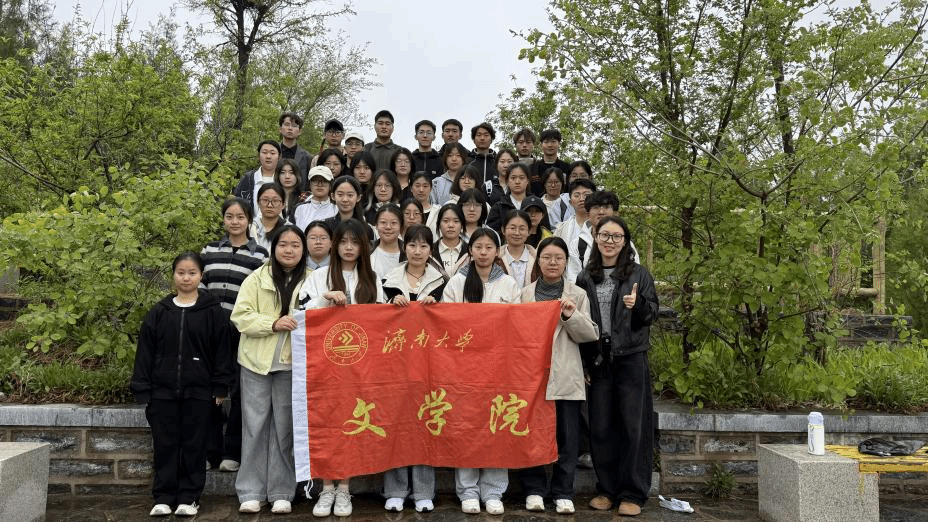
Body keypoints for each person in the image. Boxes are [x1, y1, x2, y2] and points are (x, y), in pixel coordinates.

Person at [132, 252, 233, 518]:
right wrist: (142, 388)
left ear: (201, 276)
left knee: (194, 446)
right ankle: (164, 496)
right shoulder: (160, 312)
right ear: (173, 275)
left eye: (192, 273)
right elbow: (145, 352)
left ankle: (189, 497)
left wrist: (220, 387)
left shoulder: (212, 312)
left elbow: (222, 352)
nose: (186, 278)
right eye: (181, 272)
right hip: (162, 392)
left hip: (199, 392)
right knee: (164, 445)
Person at [299, 219, 385, 518]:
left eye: (355, 242)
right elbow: (300, 313)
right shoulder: (318, 276)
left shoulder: (371, 279)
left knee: (351, 422)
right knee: (327, 421)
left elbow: (380, 321)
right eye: (344, 242)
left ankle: (345, 488)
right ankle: (326, 488)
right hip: (324, 365)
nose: (349, 248)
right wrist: (324, 300)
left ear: (364, 247)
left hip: (359, 366)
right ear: (335, 245)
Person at [575, 216, 658, 517]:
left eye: (616, 236)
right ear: (596, 238)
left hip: (631, 357)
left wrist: (639, 305)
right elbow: (580, 322)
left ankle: (632, 493)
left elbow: (652, 314)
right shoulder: (586, 276)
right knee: (600, 426)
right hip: (599, 359)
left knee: (633, 426)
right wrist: (585, 362)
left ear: (625, 242)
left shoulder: (638, 274)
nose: (610, 241)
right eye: (604, 235)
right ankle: (607, 489)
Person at [231, 225, 311, 515]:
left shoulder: (312, 279)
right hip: (256, 363)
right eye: (283, 245)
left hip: (293, 366)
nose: (289, 250)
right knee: (254, 427)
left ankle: (281, 491)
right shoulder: (256, 278)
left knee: (285, 429)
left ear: (303, 250)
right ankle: (251, 491)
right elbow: (240, 316)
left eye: (295, 245)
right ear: (274, 248)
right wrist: (272, 324)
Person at [518, 237, 599, 515]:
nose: (552, 263)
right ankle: (534, 490)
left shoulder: (577, 294)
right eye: (547, 257)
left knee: (567, 436)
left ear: (566, 262)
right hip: (532, 377)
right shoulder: (525, 294)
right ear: (538, 261)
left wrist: (570, 315)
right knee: (532, 435)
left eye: (558, 258)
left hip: (565, 374)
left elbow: (590, 334)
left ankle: (564, 492)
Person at [442, 228, 520, 515]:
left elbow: (518, 325)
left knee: (496, 426)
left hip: (499, 368)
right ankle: (468, 491)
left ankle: (494, 491)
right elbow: (446, 323)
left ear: (497, 252)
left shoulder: (509, 284)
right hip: (465, 369)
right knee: (467, 428)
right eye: (478, 247)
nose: (484, 252)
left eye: (489, 247)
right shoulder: (457, 283)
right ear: (470, 251)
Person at [380, 225, 448, 514]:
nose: (417, 251)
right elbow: (376, 320)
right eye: (412, 245)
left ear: (431, 250)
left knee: (425, 425)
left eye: (423, 246)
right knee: (396, 425)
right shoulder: (388, 280)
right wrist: (389, 304)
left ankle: (423, 491)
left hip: (430, 365)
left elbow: (453, 320)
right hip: (395, 364)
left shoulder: (442, 281)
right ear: (404, 247)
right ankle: (395, 490)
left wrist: (437, 306)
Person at [200, 198, 270, 474]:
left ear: (249, 220)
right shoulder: (209, 251)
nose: (235, 222)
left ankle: (232, 451)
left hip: (243, 332)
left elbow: (262, 294)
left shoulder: (260, 255)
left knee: (240, 393)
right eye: (229, 216)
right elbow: (200, 287)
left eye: (240, 217)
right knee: (210, 391)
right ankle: (209, 451)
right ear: (223, 219)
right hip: (210, 333)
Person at [554, 179, 596, 283]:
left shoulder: (604, 227)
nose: (582, 199)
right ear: (570, 202)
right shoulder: (560, 230)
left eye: (586, 195)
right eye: (577, 195)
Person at [233, 140, 281, 219]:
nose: (268, 156)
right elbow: (237, 203)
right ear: (258, 156)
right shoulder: (248, 178)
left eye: (272, 153)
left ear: (279, 157)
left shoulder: (284, 179)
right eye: (264, 152)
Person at [324, 175, 375, 242]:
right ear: (333, 196)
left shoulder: (366, 229)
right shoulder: (326, 226)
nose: (345, 199)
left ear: (358, 197)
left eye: (350, 195)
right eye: (340, 195)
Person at [486, 162, 531, 232]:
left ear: (527, 181)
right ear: (507, 181)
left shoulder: (535, 204)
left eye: (521, 178)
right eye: (513, 178)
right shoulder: (499, 207)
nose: (517, 182)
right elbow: (491, 233)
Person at [293, 166, 336, 232]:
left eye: (324, 181)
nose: (319, 185)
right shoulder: (299, 209)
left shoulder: (337, 209)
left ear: (330, 185)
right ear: (310, 185)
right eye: (315, 181)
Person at [499, 210, 535, 287]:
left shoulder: (537, 259)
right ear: (503, 230)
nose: (517, 233)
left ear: (529, 231)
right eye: (512, 228)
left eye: (522, 229)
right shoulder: (495, 259)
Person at [530, 129, 571, 196]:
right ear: (540, 145)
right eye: (546, 142)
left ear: (559, 144)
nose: (550, 145)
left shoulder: (567, 168)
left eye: (553, 142)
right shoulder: (532, 169)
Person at [250, 183, 289, 252]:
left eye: (275, 201)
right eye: (265, 200)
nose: (270, 205)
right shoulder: (248, 228)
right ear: (258, 203)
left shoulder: (289, 230)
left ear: (283, 204)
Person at [370, 204, 404, 281]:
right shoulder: (367, 250)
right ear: (376, 225)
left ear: (401, 227)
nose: (388, 227)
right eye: (383, 222)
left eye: (393, 223)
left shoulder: (408, 253)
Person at [432, 203, 466, 276]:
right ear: (439, 224)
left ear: (462, 225)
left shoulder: (470, 252)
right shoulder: (430, 252)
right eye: (445, 221)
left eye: (456, 221)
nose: (450, 225)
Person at [278, 112, 311, 183]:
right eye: (287, 125)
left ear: (300, 131)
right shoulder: (272, 153)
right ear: (280, 129)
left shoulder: (307, 157)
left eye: (294, 126)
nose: (290, 128)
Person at [467, 122, 499, 186]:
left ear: (491, 139)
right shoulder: (467, 160)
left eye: (486, 135)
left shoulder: (498, 161)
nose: (482, 138)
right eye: (479, 135)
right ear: (473, 139)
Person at [275, 158, 304, 222]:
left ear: (297, 175)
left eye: (291, 173)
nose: (287, 176)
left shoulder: (305, 198)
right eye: (283, 173)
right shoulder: (273, 197)